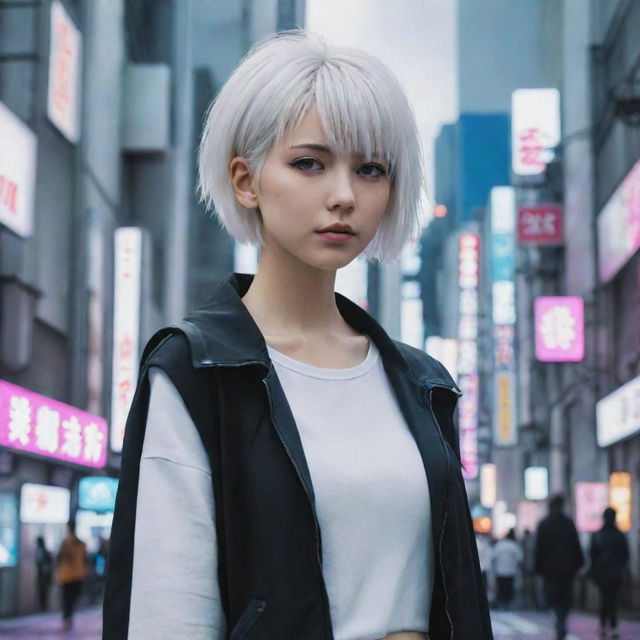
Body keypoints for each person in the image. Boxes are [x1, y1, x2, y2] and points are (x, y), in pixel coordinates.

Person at [103, 29, 493, 640]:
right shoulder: (195, 371)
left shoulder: (422, 383)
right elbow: (167, 615)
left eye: (370, 169)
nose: (343, 195)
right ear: (245, 179)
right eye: (309, 162)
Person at [535, 494, 584, 640]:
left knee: (553, 597)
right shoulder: (568, 523)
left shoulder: (544, 524)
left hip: (549, 569)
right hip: (567, 568)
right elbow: (576, 545)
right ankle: (562, 620)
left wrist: (538, 567)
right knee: (565, 598)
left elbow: (539, 548)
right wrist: (579, 563)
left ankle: (559, 620)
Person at [589, 507, 630, 639]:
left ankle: (603, 625)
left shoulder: (597, 535)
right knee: (612, 600)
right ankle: (612, 626)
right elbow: (625, 556)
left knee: (605, 599)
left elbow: (592, 555)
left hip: (602, 573)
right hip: (615, 573)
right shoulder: (619, 535)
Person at [55, 521, 88, 630]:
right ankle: (68, 618)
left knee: (67, 598)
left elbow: (59, 559)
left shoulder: (66, 544)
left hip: (67, 575)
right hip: (77, 575)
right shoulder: (81, 544)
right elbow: (85, 560)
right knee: (71, 598)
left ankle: (67, 619)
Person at [491, 529, 522, 610]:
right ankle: (508, 604)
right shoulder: (514, 546)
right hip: (511, 571)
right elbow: (519, 559)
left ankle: (501, 604)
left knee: (501, 588)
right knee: (509, 588)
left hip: (499, 570)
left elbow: (493, 558)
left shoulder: (499, 545)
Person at [35, 535, 53, 611]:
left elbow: (49, 564)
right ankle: (42, 606)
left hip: (45, 576)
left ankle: (44, 607)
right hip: (41, 575)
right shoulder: (39, 551)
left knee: (44, 591)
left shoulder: (45, 552)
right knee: (41, 591)